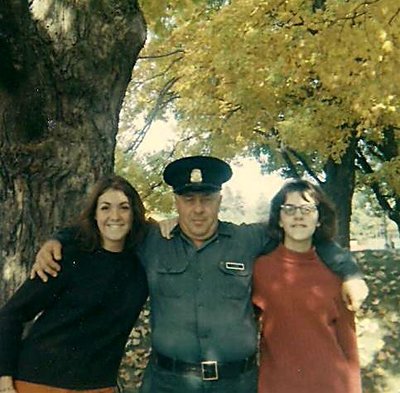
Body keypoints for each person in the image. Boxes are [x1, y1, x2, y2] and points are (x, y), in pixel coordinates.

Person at [31, 156, 368, 393]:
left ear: (219, 200)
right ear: (176, 201)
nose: (197, 209)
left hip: (237, 384)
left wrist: (349, 270)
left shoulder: (247, 239)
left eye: (206, 198)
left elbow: (303, 231)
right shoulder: (150, 240)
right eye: (188, 199)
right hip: (168, 383)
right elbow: (106, 223)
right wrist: (56, 240)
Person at [0, 175, 149, 393]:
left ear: (134, 214)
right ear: (95, 215)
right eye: (105, 208)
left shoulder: (142, 264)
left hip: (98, 386)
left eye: (124, 207)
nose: (114, 216)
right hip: (39, 383)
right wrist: (4, 382)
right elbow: (12, 314)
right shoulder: (65, 257)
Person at [252, 179, 362, 393]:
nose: (298, 215)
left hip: (330, 385)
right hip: (277, 386)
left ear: (319, 219)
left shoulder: (337, 274)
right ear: (279, 220)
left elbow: (348, 344)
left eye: (307, 209)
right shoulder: (260, 269)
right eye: (289, 209)